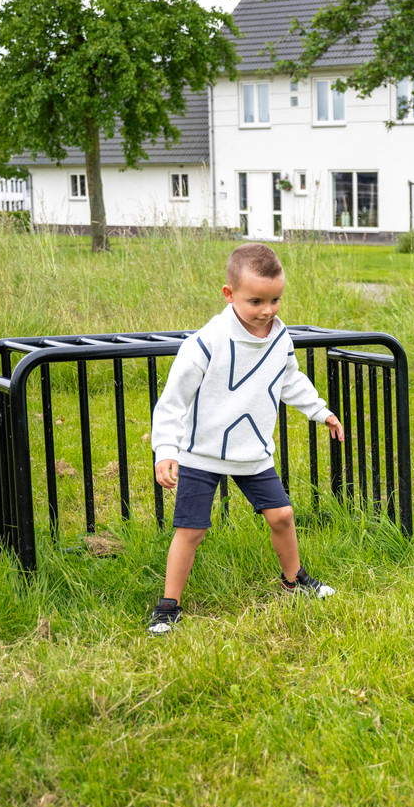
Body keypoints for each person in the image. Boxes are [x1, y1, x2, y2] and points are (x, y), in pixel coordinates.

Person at [147, 243, 344, 635]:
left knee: (283, 515)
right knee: (192, 530)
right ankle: (168, 606)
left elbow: (289, 379)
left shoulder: (279, 336)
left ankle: (295, 582)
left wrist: (320, 411)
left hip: (252, 452)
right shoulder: (206, 342)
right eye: (256, 300)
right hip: (200, 453)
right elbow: (172, 401)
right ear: (229, 294)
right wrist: (166, 451)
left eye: (275, 299)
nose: (267, 310)